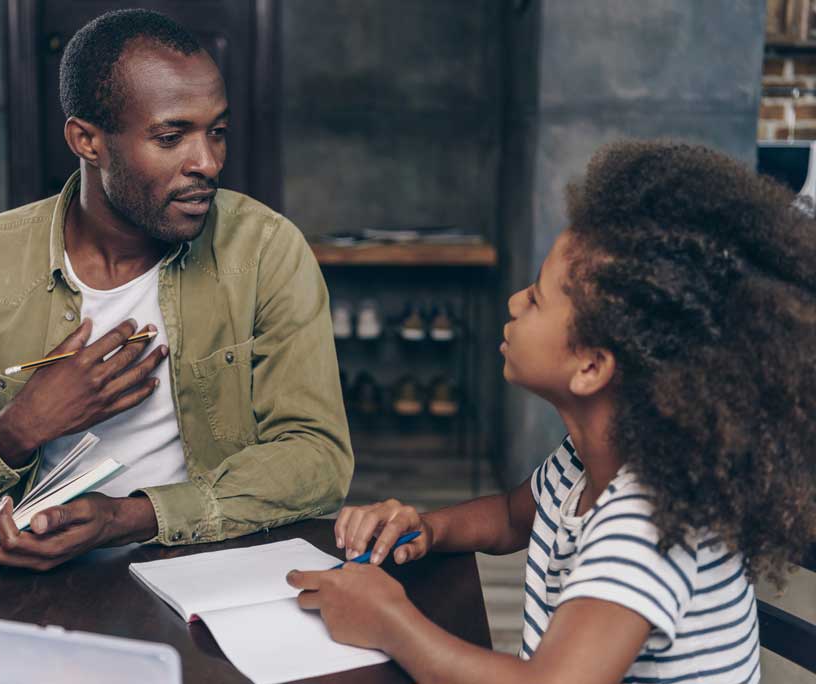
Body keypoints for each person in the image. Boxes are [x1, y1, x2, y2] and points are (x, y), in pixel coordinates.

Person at [288, 140, 816, 683]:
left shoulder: (650, 515)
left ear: (591, 367)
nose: (516, 302)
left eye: (537, 298)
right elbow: (514, 517)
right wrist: (428, 528)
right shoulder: (589, 460)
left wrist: (388, 621)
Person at [0, 9, 352, 570]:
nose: (207, 163)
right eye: (171, 137)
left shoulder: (265, 252)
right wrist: (20, 428)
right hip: (31, 578)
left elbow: (317, 461)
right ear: (87, 140)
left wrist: (127, 518)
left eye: (217, 132)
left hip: (212, 567)